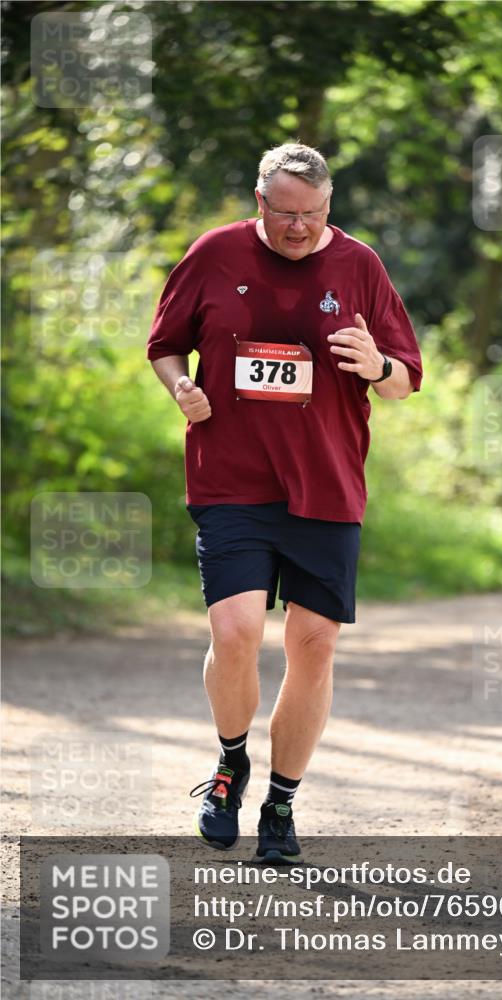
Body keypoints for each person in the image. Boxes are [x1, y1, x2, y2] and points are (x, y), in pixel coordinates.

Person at [147, 142, 422, 863]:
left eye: (314, 214)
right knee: (236, 630)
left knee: (314, 646)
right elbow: (164, 346)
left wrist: (379, 365)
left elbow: (404, 379)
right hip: (231, 479)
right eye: (285, 213)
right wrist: (181, 387)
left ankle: (281, 803)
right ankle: (229, 764)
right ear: (259, 200)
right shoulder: (215, 253)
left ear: (329, 207)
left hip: (326, 486)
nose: (299, 227)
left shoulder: (359, 266)